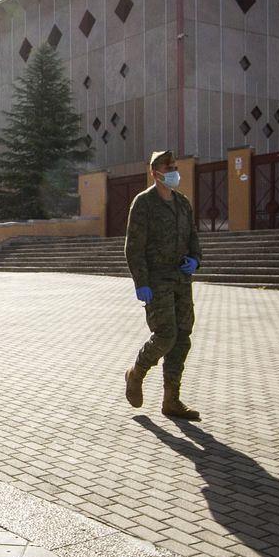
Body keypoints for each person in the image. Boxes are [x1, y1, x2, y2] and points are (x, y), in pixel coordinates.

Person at [124, 149, 203, 420]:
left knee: (182, 339)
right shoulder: (143, 203)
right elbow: (133, 247)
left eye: (175, 167)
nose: (174, 173)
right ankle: (136, 373)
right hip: (157, 281)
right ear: (155, 172)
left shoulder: (183, 203)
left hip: (181, 280)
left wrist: (195, 260)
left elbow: (193, 237)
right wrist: (141, 282)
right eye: (168, 168)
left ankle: (172, 400)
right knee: (166, 335)